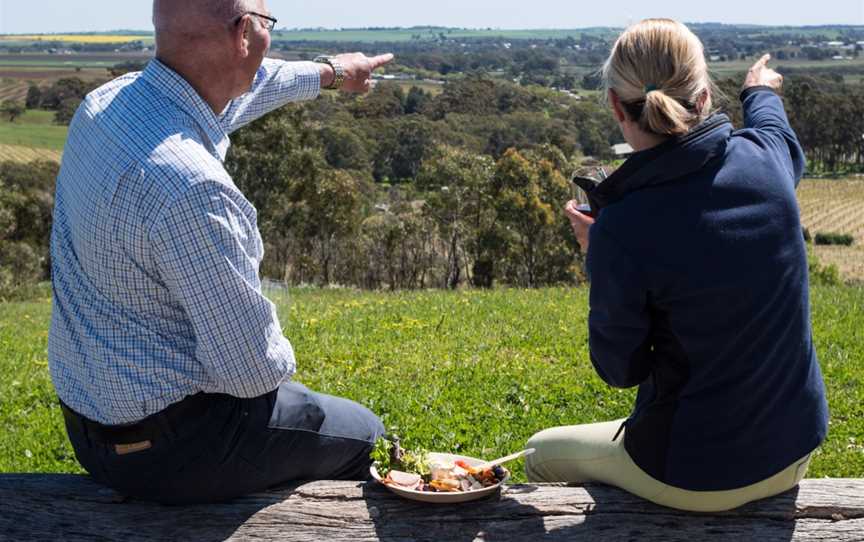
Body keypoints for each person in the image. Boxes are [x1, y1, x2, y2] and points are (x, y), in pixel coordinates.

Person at [48, 0, 393, 504]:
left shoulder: (106, 105)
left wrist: (332, 74)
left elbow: (240, 94)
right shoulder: (191, 189)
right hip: (176, 452)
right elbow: (251, 373)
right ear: (244, 34)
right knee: (366, 434)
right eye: (267, 23)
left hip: (89, 431)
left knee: (305, 411)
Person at [525, 19, 829, 512]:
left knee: (540, 453)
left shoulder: (622, 227)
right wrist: (758, 89)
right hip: (793, 450)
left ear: (615, 106)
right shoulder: (767, 164)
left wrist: (601, 260)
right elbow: (775, 129)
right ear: (705, 95)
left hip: (691, 473)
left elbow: (620, 368)